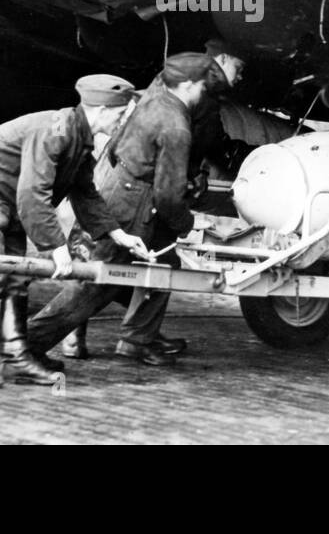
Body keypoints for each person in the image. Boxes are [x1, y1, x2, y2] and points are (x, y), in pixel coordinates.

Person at [0, 74, 146, 388]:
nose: (123, 120)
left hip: (9, 198)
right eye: (121, 114)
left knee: (16, 276)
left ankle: (16, 359)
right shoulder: (56, 132)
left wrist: (117, 234)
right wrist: (56, 247)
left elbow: (85, 193)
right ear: (102, 111)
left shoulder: (80, 137)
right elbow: (33, 194)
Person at [28, 53, 213, 366]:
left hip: (119, 184)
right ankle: (29, 344)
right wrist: (186, 223)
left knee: (163, 267)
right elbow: (168, 195)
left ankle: (137, 340)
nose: (204, 92)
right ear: (189, 85)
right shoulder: (177, 127)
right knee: (99, 282)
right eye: (202, 86)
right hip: (137, 203)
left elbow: (114, 147)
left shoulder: (153, 99)